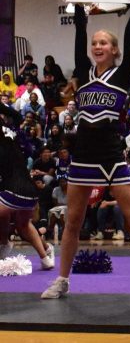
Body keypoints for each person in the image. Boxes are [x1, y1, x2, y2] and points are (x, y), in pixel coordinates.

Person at [41, 3, 130, 301]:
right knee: (73, 220)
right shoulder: (83, 71)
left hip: (111, 154)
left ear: (114, 50)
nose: (97, 46)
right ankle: (62, 280)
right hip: (83, 153)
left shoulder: (123, 72)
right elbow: (79, 30)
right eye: (95, 42)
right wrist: (78, 3)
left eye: (104, 42)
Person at [0, 102, 55, 268]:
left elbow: (15, 116)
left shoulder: (9, 137)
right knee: (23, 226)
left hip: (16, 188)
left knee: (5, 214)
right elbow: (16, 116)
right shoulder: (13, 135)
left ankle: (3, 243)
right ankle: (45, 256)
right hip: (27, 190)